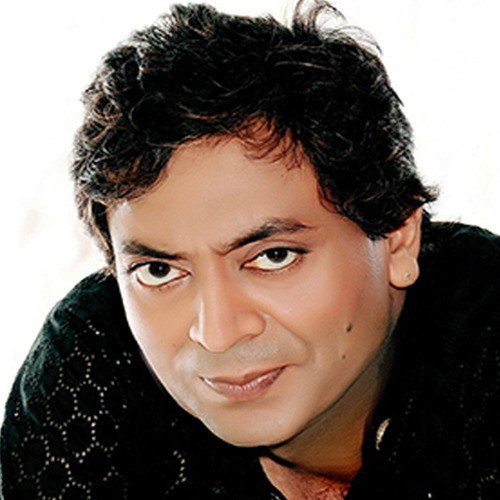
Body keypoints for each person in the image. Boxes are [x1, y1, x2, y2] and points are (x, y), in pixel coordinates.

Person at [1, 1, 499, 498]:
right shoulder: (93, 365)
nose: (217, 333)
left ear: (398, 237)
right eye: (158, 270)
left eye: (273, 257)